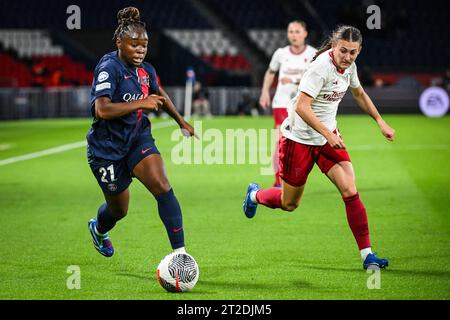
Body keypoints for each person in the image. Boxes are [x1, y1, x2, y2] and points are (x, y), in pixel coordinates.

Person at [244, 25, 396, 270]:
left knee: (349, 189)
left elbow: (359, 94)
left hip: (327, 139)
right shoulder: (320, 68)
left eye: (353, 53)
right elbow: (302, 107)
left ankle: (367, 256)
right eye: (343, 51)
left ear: (359, 51)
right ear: (334, 46)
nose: (347, 57)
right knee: (289, 203)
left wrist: (380, 121)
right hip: (299, 140)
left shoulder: (350, 67)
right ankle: (254, 195)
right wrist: (327, 133)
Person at [86, 7, 196, 258]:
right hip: (107, 149)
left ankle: (181, 255)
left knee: (163, 186)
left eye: (144, 45)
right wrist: (140, 103)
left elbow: (160, 95)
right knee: (119, 211)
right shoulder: (109, 67)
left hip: (137, 139)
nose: (140, 49)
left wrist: (182, 121)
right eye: (134, 44)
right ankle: (99, 229)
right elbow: (101, 109)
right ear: (119, 42)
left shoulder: (147, 70)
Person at [259, 21, 317, 187]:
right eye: (291, 31)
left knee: (301, 143)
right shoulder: (281, 53)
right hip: (281, 103)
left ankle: (295, 178)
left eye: (297, 31)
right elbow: (270, 73)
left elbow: (313, 80)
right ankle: (278, 182)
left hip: (302, 104)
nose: (293, 35)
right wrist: (264, 92)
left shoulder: (313, 54)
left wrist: (292, 79)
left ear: (305, 33)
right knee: (280, 141)